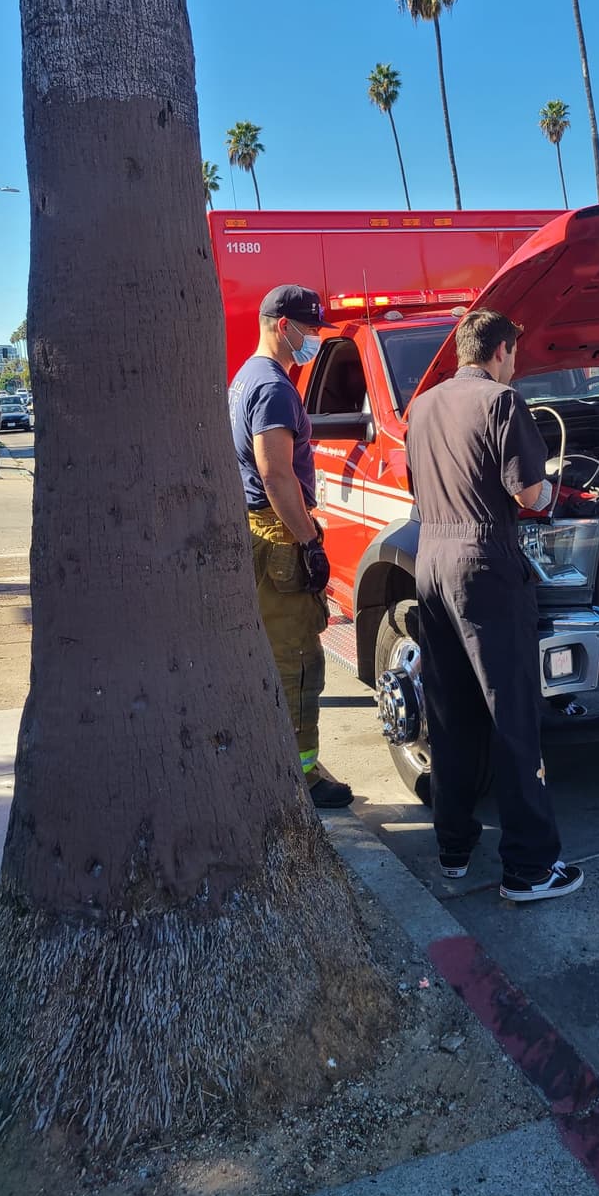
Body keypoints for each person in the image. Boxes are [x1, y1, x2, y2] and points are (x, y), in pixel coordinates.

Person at [405, 309, 582, 903]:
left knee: (450, 713)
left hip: (429, 561)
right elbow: (528, 493)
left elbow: (420, 484)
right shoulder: (504, 403)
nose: (516, 365)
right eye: (515, 354)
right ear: (501, 350)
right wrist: (554, 485)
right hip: (485, 565)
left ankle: (454, 849)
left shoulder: (422, 407)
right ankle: (530, 869)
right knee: (513, 719)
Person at [228, 284, 353, 809]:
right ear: (283, 325)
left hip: (258, 528)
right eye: (309, 330)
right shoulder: (273, 387)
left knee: (272, 654)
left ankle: (280, 758)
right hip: (278, 533)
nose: (313, 340)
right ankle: (301, 775)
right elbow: (276, 475)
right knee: (297, 659)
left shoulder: (244, 378)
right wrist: (308, 542)